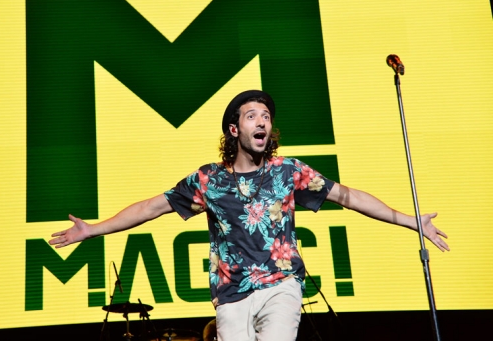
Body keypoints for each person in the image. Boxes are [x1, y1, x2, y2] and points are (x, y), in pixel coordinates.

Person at [49, 90, 449, 341]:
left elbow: (348, 196)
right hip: (230, 297)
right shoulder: (209, 180)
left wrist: (410, 220)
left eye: (267, 116)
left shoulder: (287, 171)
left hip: (281, 285)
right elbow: (151, 208)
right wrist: (94, 230)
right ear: (233, 129)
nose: (262, 121)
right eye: (252, 115)